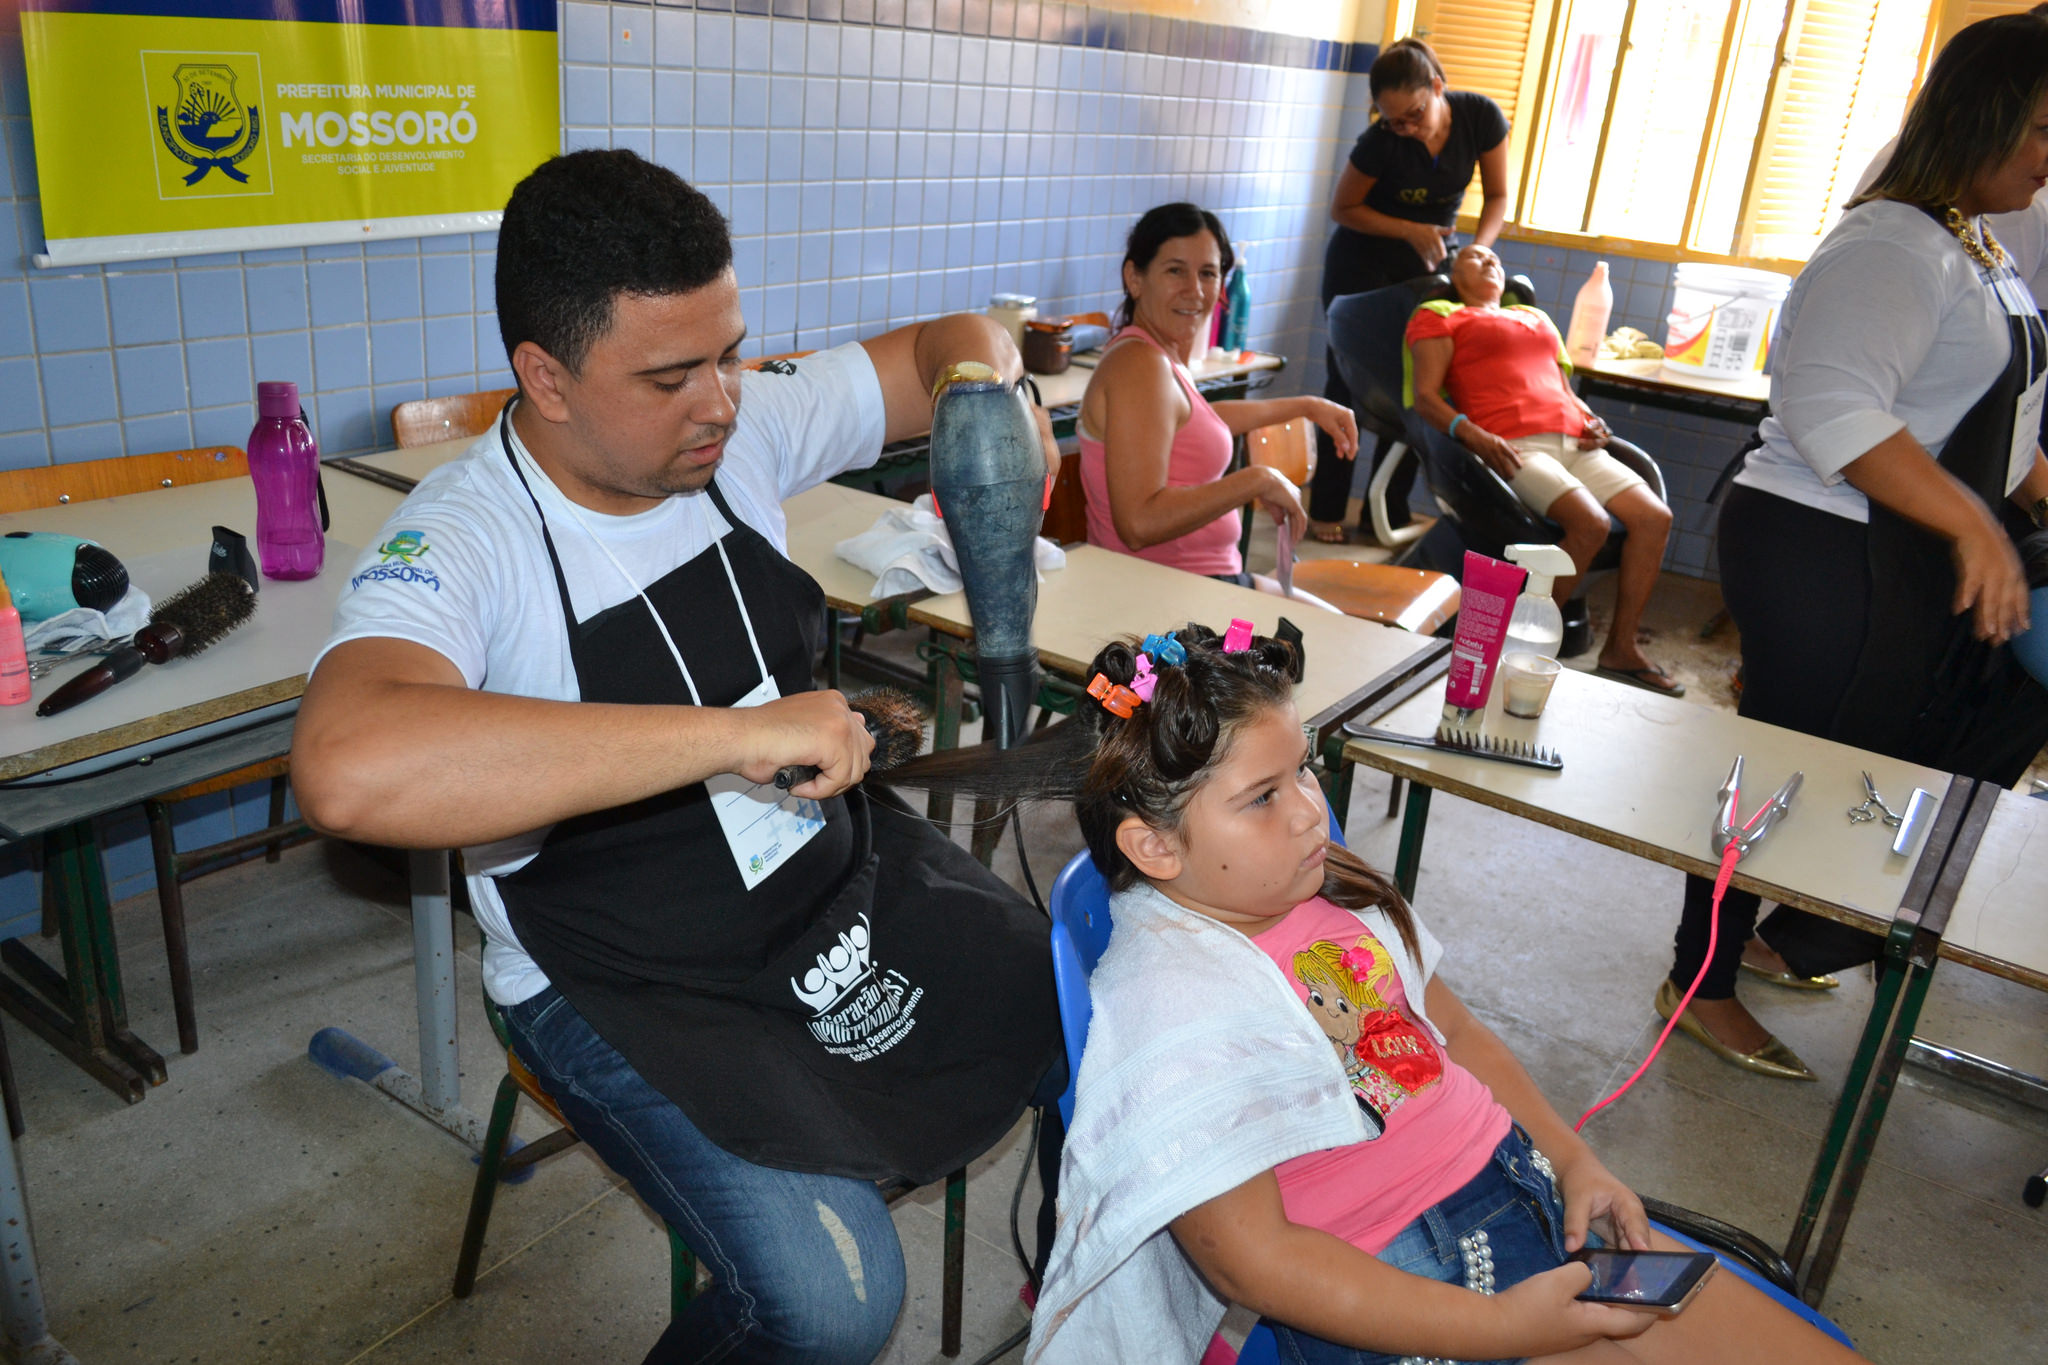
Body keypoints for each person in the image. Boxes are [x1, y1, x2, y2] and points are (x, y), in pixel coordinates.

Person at [290, 148, 1064, 1365]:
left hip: (824, 881)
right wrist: (736, 736)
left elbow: (945, 342)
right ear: (543, 376)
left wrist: (988, 396)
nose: (718, 401)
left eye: (730, 352)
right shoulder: (464, 540)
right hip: (614, 973)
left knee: (1089, 994)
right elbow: (347, 765)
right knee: (833, 1307)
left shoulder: (733, 428)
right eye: (669, 375)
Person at [881, 626, 1866, 1364]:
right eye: (1263, 797)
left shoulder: (1316, 890)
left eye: (1301, 771)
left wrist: (1574, 1161)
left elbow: (1457, 1036)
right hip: (1418, 1281)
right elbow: (1247, 1264)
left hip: (1516, 1191)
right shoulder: (1171, 1008)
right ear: (1153, 846)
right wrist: (1491, 1325)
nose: (1312, 811)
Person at [1661, 12, 2048, 1080]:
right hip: (1816, 546)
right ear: (1978, 121)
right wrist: (1973, 522)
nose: (2046, 159)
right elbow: (1833, 412)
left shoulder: (1969, 242)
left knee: (1851, 765)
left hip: (1885, 550)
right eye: (2039, 132)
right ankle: (1698, 981)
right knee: (1779, 766)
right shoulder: (1888, 245)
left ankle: (1773, 935)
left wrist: (2026, 503)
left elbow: (1991, 421)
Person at [1409, 243, 1681, 692]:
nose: (1491, 260)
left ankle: (1621, 648)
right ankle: (1525, 651)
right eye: (1474, 257)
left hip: (1577, 443)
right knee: (1589, 525)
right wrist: (1473, 433)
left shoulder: (1537, 320)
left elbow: (1560, 388)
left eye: (1494, 257)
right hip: (1514, 446)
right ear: (1452, 279)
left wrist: (1593, 422)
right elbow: (1425, 397)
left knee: (1655, 518)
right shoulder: (1440, 317)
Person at [1077, 202, 1357, 603]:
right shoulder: (1140, 366)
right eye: (1175, 271)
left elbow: (1196, 420)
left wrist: (1306, 406)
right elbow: (1138, 522)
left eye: (1207, 273)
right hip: (1165, 601)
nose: (1195, 291)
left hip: (1195, 584)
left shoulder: (1156, 354)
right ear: (1135, 278)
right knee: (1343, 645)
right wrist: (1257, 480)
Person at [1308, 37, 1510, 545]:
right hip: (1362, 267)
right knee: (1348, 386)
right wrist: (1408, 228)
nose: (1406, 128)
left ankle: (1388, 514)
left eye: (1415, 114)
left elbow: (1499, 194)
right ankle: (1327, 508)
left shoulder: (1479, 117)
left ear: (1438, 88)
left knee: (1419, 389)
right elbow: (1343, 208)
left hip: (1432, 268)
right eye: (1394, 119)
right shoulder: (1381, 141)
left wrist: (1477, 253)